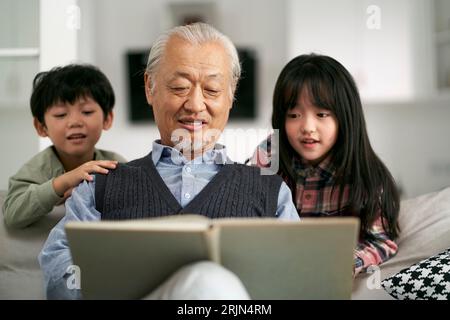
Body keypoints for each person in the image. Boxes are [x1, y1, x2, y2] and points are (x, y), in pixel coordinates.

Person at [38, 23, 299, 300]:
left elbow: (298, 280)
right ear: (150, 89)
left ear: (231, 95)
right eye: (179, 87)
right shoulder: (99, 185)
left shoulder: (272, 191)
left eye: (211, 89)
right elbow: (59, 274)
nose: (195, 104)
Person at [249, 54, 400, 277]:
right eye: (294, 115)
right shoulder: (269, 155)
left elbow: (381, 241)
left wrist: (342, 264)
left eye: (321, 114)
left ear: (345, 118)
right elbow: (246, 217)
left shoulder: (366, 176)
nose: (308, 127)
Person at [3, 64, 126, 229]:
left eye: (87, 112)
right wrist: (63, 183)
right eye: (61, 115)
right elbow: (12, 214)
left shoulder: (114, 163)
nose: (75, 122)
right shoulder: (35, 170)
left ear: (107, 119)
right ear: (41, 127)